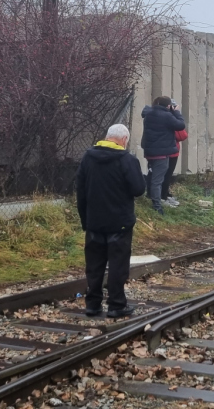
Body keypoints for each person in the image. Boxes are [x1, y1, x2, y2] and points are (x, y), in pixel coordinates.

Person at [76, 124, 146, 318]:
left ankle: (92, 304)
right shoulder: (127, 159)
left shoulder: (88, 158)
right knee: (117, 265)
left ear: (107, 137)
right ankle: (116, 305)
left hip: (94, 222)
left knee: (94, 265)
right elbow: (138, 189)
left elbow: (80, 191)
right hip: (119, 223)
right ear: (124, 140)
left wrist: (85, 220)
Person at [141, 96, 185, 215]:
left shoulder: (149, 114)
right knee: (158, 180)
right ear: (168, 106)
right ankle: (157, 206)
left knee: (152, 176)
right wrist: (176, 112)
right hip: (161, 153)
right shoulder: (166, 116)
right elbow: (181, 125)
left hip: (150, 151)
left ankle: (152, 198)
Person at [162, 119, 187, 208]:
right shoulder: (169, 118)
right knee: (166, 175)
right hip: (170, 151)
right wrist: (177, 115)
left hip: (168, 150)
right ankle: (163, 197)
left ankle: (166, 194)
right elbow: (182, 135)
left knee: (166, 175)